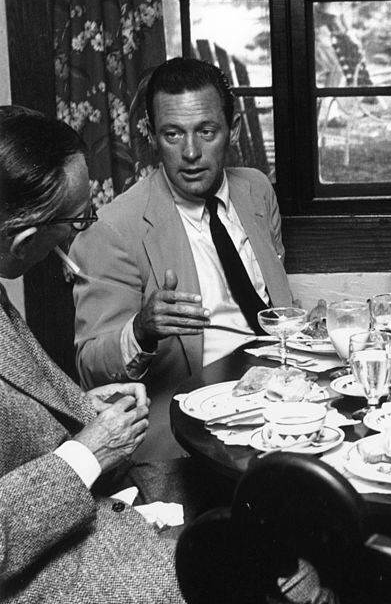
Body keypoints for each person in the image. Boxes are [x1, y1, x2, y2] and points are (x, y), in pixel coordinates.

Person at [0, 106, 181, 602]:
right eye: (79, 220)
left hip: (78, 532)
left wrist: (81, 409)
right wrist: (87, 453)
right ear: (25, 239)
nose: (85, 231)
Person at [71, 57, 293, 459]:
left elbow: (274, 305)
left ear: (233, 129)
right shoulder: (113, 229)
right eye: (172, 134)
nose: (190, 152)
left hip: (282, 401)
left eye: (206, 131)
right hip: (192, 428)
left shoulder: (257, 190)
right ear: (153, 137)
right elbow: (90, 366)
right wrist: (141, 330)